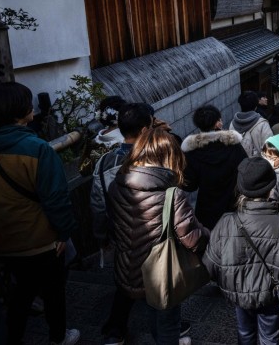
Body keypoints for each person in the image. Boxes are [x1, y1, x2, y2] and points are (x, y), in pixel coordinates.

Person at [0, 82, 80, 345]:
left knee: (21, 292)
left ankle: (12, 337)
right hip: (41, 239)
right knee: (53, 291)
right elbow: (56, 198)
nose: (32, 107)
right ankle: (58, 337)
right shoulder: (36, 149)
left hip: (1, 239)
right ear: (17, 112)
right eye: (27, 102)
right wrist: (63, 232)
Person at [105, 125, 209, 345]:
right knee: (167, 322)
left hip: (128, 265)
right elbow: (191, 237)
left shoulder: (117, 184)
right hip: (161, 271)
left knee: (151, 311)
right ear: (169, 156)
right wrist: (210, 237)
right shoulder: (172, 194)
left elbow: (112, 224)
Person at [203, 157, 279, 345]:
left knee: (244, 333)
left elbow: (210, 262)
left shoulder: (226, 221)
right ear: (272, 187)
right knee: (269, 336)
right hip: (271, 294)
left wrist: (227, 281)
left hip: (239, 291)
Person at [91, 103, 155, 249]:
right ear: (145, 130)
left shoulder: (104, 162)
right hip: (153, 235)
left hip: (120, 236)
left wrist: (101, 236)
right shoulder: (155, 158)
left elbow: (98, 205)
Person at [182, 105, 247, 229]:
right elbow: (246, 170)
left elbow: (190, 185)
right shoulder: (233, 144)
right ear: (218, 123)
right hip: (234, 205)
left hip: (207, 208)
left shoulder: (192, 151)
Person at [229, 91, 273, 157]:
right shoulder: (262, 124)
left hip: (238, 165)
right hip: (257, 165)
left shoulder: (232, 124)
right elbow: (270, 150)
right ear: (256, 106)